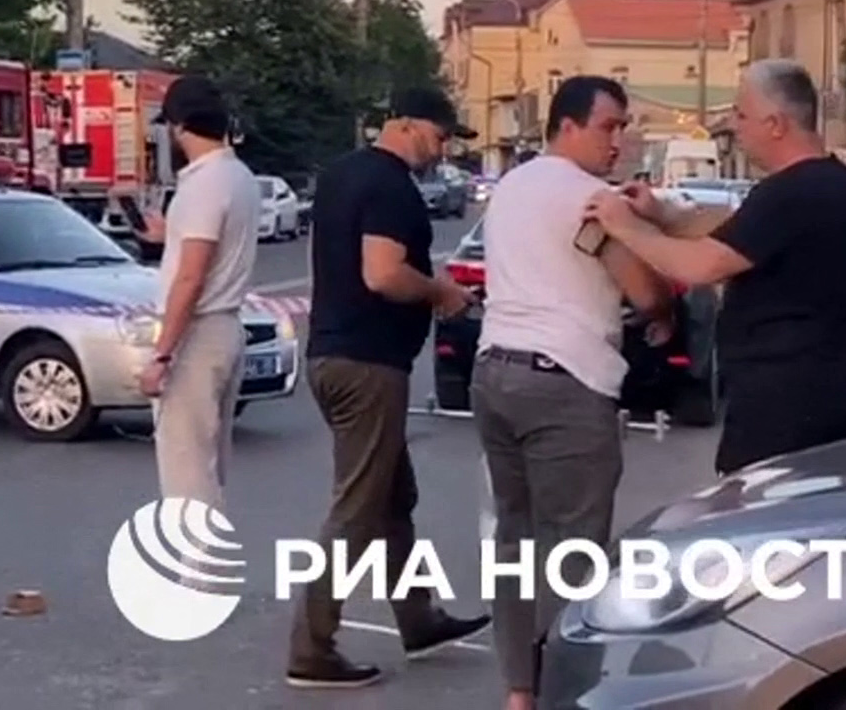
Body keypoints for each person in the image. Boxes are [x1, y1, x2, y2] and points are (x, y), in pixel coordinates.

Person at [474, 76, 672, 710]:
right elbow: (642, 288)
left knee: (515, 540)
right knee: (574, 550)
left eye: (623, 127)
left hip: (495, 372)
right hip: (566, 379)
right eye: (608, 126)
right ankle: (564, 691)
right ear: (567, 126)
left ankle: (519, 690)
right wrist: (664, 306)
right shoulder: (592, 199)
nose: (619, 141)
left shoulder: (512, 185)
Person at [285, 87, 490, 692]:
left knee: (392, 497)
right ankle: (312, 646)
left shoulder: (343, 175)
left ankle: (418, 615)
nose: (443, 146)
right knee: (358, 507)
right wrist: (442, 293)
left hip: (334, 355)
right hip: (369, 364)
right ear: (403, 123)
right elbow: (381, 273)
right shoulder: (392, 185)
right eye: (438, 133)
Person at [586, 60, 846, 474]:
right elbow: (735, 235)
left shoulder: (792, 192)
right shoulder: (831, 181)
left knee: (765, 523)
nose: (733, 126)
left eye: (741, 115)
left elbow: (703, 264)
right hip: (822, 391)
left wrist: (626, 227)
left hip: (788, 405)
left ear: (775, 124)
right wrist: (660, 214)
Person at [131, 76, 260, 514]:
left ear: (179, 126)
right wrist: (170, 236)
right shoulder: (238, 176)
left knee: (187, 479)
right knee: (209, 467)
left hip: (196, 337)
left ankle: (199, 582)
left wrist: (163, 354)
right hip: (226, 329)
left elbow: (191, 277)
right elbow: (209, 246)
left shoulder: (203, 185)